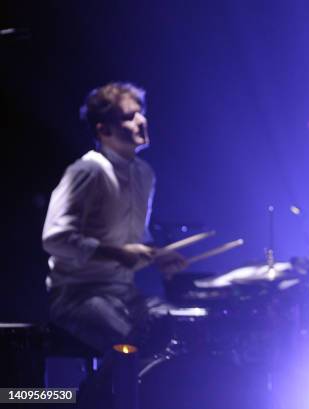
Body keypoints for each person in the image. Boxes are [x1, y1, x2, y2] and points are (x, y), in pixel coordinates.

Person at [42, 82, 186, 402]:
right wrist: (119, 253)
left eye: (141, 114)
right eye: (129, 117)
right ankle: (90, 399)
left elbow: (134, 240)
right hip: (77, 294)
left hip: (120, 292)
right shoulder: (87, 171)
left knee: (171, 325)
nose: (141, 121)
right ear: (103, 129)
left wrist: (157, 255)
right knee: (131, 338)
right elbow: (55, 238)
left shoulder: (144, 175)